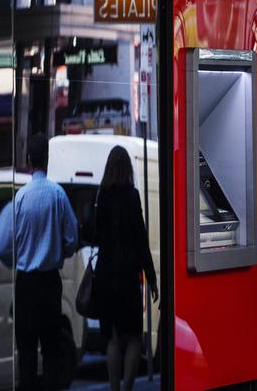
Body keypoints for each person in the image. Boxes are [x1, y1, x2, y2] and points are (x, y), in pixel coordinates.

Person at [14, 133, 78, 391]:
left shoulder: (20, 198)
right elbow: (72, 238)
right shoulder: (58, 195)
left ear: (29, 161)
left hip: (25, 283)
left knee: (26, 349)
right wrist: (59, 252)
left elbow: (14, 241)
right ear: (47, 160)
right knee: (51, 349)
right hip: (50, 283)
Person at [94, 145, 158, 391]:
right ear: (128, 168)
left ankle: (114, 389)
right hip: (129, 277)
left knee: (111, 338)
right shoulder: (132, 196)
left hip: (106, 275)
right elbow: (141, 239)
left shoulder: (102, 195)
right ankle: (128, 388)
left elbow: (97, 235)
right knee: (132, 337)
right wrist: (151, 277)